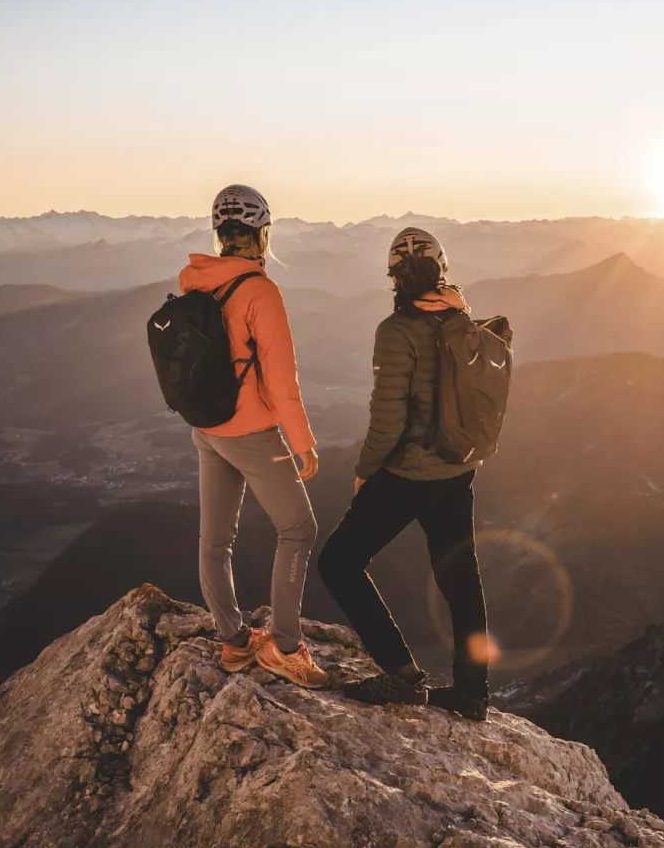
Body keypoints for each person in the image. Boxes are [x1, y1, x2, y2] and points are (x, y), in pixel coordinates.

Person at [319, 228, 492, 721]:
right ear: (441, 269)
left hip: (409, 473)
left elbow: (388, 418)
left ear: (394, 276)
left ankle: (402, 675)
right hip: (458, 470)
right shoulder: (463, 321)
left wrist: (365, 470)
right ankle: (472, 693)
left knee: (339, 562)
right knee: (460, 579)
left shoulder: (395, 332)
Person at [181, 184, 328, 688]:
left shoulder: (197, 282)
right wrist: (301, 442)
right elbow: (281, 381)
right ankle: (286, 647)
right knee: (298, 529)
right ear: (262, 234)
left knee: (215, 539)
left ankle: (234, 643)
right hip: (252, 432)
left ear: (220, 233)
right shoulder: (260, 291)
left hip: (208, 428)